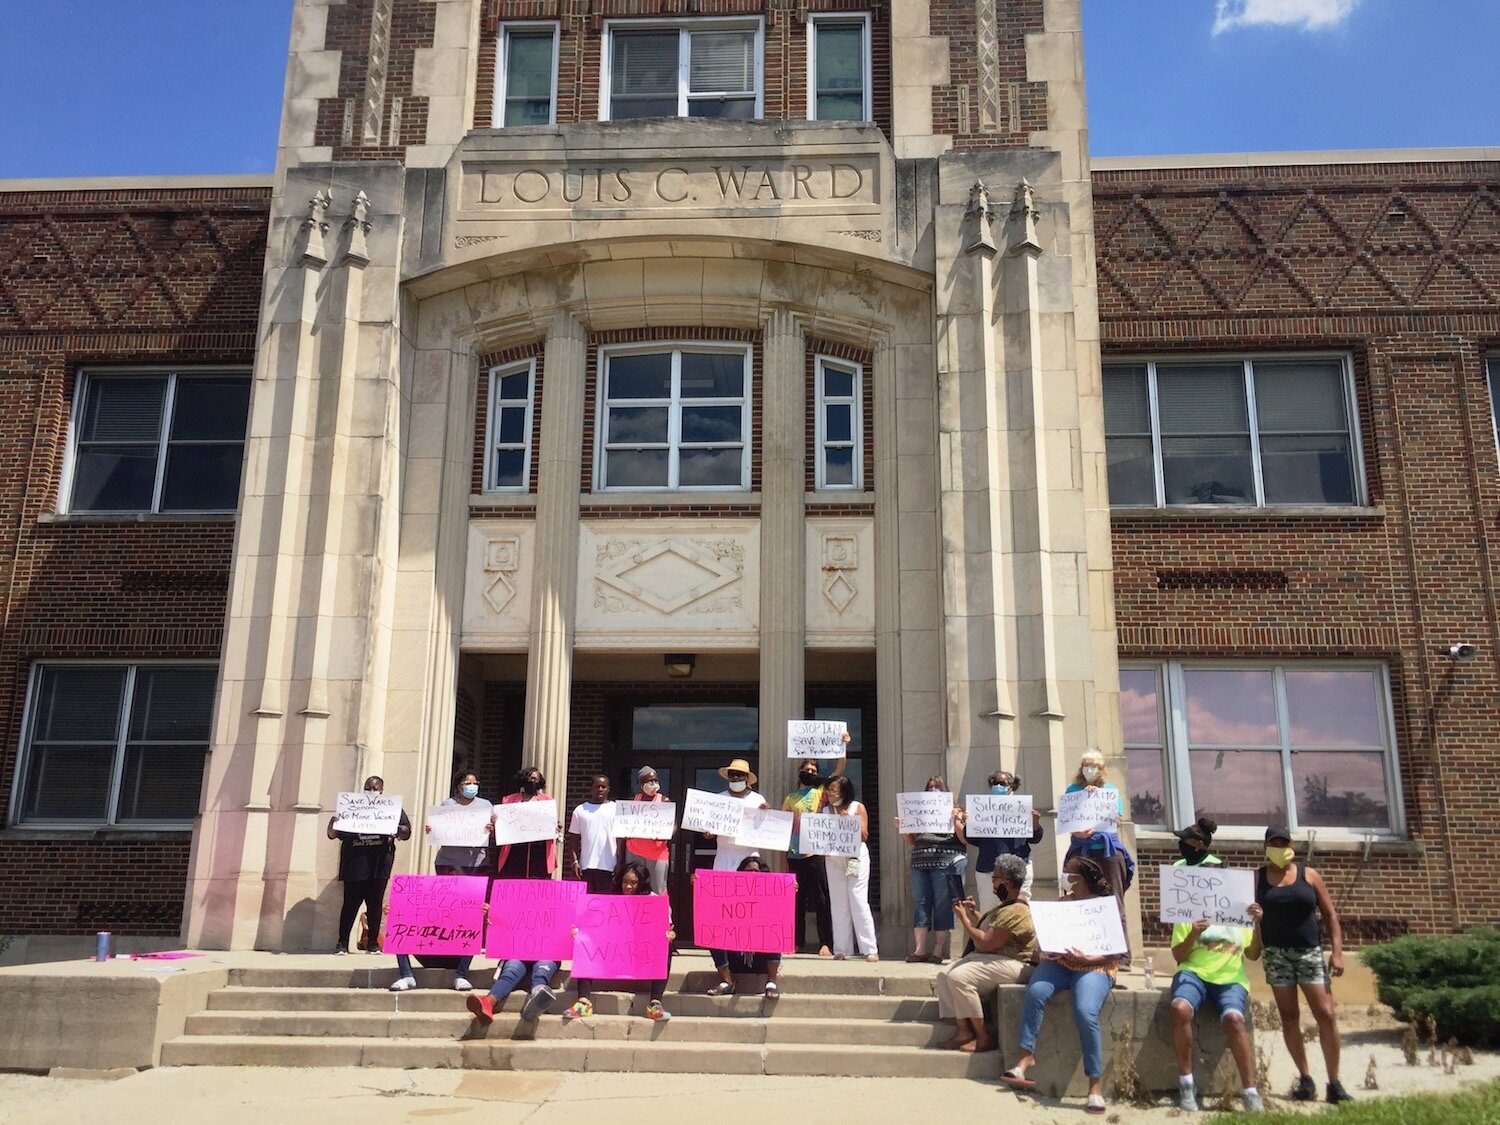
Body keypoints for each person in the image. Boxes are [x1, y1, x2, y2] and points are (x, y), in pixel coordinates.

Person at [1002, 855, 1123, 1115]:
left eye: (1069, 873)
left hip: (1095, 966)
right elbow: (1046, 940)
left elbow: (1116, 951)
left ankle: (1095, 1085)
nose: (1064, 877)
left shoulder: (1104, 906)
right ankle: (1025, 1058)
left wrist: (1088, 957)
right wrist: (1049, 949)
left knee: (1085, 1011)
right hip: (1061, 964)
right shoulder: (1063, 903)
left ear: (1082, 879)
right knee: (1035, 991)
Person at [1168, 816, 1266, 1114]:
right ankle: (1186, 1083)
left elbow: (1252, 955)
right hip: (1194, 972)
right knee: (1180, 1008)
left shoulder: (1241, 913)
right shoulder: (1191, 914)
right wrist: (1195, 932)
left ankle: (1250, 1091)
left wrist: (1259, 924)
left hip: (1230, 977)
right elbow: (1179, 956)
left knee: (1234, 1020)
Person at [1253, 824, 1353, 1105]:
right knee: (1289, 1017)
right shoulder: (1257, 880)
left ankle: (1334, 1082)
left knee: (1326, 1013)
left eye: (1284, 842)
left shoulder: (1308, 875)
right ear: (1265, 847)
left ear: (1292, 846)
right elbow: (1243, 913)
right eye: (1274, 842)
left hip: (1309, 952)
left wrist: (1337, 952)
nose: (1280, 847)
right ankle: (1305, 1078)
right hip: (1276, 954)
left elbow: (1330, 915)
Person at [390, 770, 492, 992]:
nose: (471, 786)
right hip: (449, 862)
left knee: (471, 914)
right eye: (467, 783)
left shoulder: (485, 806)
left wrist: (491, 830)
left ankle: (462, 966)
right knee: (450, 910)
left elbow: (493, 833)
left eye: (475, 783)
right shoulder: (447, 805)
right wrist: (433, 829)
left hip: (477, 863)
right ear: (458, 786)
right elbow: (440, 830)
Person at [933, 853, 1037, 1053]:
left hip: (1016, 963)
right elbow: (994, 930)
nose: (993, 884)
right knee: (945, 976)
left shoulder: (1017, 910)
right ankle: (963, 1029)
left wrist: (964, 920)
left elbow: (986, 943)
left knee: (959, 977)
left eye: (995, 879)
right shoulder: (1006, 906)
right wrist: (974, 914)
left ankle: (983, 1037)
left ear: (1007, 882)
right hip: (998, 958)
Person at [562, 860, 674, 1021]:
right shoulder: (610, 899)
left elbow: (667, 929)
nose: (628, 887)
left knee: (665, 946)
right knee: (584, 942)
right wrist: (579, 933)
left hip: (640, 954)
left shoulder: (654, 901)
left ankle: (655, 1004)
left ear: (642, 883)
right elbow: (591, 927)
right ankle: (583, 1002)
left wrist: (670, 936)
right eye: (625, 882)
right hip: (613, 955)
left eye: (634, 883)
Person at [1062, 750, 1133, 968]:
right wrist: (1077, 832)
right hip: (1081, 851)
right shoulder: (1073, 791)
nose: (1089, 769)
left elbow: (1118, 820)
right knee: (1076, 898)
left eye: (1094, 765)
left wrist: (1095, 801)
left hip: (1107, 851)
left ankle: (1121, 956)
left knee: (1114, 901)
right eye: (1086, 765)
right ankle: (1078, 949)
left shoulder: (1110, 791)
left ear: (1101, 770)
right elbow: (1068, 822)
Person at [327, 775, 412, 955]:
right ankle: (342, 943)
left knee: (375, 904)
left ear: (382, 790)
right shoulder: (351, 806)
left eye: (375, 789)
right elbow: (333, 834)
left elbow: (406, 831)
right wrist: (334, 823)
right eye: (368, 788)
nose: (371, 792)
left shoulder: (391, 808)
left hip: (379, 863)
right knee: (350, 904)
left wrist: (395, 829)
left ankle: (373, 943)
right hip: (354, 863)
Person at [900, 775, 967, 963]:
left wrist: (957, 821)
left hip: (947, 861)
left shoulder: (956, 811)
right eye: (929, 787)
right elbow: (912, 840)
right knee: (920, 903)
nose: (933, 790)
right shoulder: (919, 811)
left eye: (936, 787)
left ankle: (938, 950)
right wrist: (904, 828)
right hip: (921, 862)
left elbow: (964, 840)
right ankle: (920, 949)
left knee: (942, 904)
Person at [782, 755, 843, 956]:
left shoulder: (820, 792)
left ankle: (826, 943)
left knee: (821, 900)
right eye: (807, 770)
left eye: (813, 771)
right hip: (794, 854)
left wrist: (843, 749)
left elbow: (838, 773)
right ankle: (795, 941)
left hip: (816, 853)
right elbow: (783, 824)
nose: (809, 773)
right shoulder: (791, 798)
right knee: (796, 901)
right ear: (800, 771)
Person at [705, 855, 786, 998]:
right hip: (735, 957)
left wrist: (788, 890)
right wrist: (701, 886)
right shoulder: (730, 896)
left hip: (761, 960)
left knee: (775, 925)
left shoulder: (772, 897)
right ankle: (727, 982)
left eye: (757, 871)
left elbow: (784, 912)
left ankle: (771, 983)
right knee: (714, 929)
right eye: (748, 872)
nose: (753, 875)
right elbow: (712, 907)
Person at [822, 773, 878, 962]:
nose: (830, 794)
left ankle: (870, 948)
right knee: (838, 901)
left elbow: (864, 835)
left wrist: (849, 822)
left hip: (854, 858)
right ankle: (841, 949)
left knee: (857, 897)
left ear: (844, 792)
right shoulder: (825, 811)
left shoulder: (857, 807)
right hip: (834, 859)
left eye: (833, 790)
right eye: (828, 790)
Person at [971, 769, 1044, 913]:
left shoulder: (1021, 808)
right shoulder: (982, 809)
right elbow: (972, 839)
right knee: (989, 910)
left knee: (1019, 909)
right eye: (995, 783)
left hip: (1018, 867)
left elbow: (1035, 838)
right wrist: (970, 823)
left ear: (1011, 785)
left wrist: (1035, 822)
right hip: (988, 868)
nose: (998, 786)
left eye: (1002, 783)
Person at [701, 758, 769, 872]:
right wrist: (709, 833)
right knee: (724, 888)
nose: (735, 777)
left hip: (750, 856)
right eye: (732, 774)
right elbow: (710, 827)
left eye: (739, 774)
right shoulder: (719, 799)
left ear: (747, 777)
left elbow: (766, 828)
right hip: (725, 854)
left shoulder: (758, 799)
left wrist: (767, 814)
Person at [495, 765, 557, 879]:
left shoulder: (547, 801)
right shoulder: (509, 800)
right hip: (516, 847)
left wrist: (555, 827)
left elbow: (551, 823)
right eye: (530, 778)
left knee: (538, 880)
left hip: (539, 848)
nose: (532, 781)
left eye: (535, 779)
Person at [567, 773, 618, 894]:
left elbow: (621, 840)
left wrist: (620, 863)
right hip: (586, 866)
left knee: (606, 904)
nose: (600, 789)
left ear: (608, 789)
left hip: (610, 866)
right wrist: (574, 862)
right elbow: (573, 839)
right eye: (597, 786)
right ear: (591, 788)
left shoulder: (616, 809)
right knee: (587, 904)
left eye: (603, 787)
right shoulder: (580, 810)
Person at [622, 766, 671, 893]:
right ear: (641, 783)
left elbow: (673, 825)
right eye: (650, 781)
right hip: (634, 852)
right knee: (634, 888)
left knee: (657, 890)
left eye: (655, 780)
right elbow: (624, 825)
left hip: (657, 853)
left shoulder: (664, 801)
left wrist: (665, 834)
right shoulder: (633, 802)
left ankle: (663, 913)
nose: (653, 784)